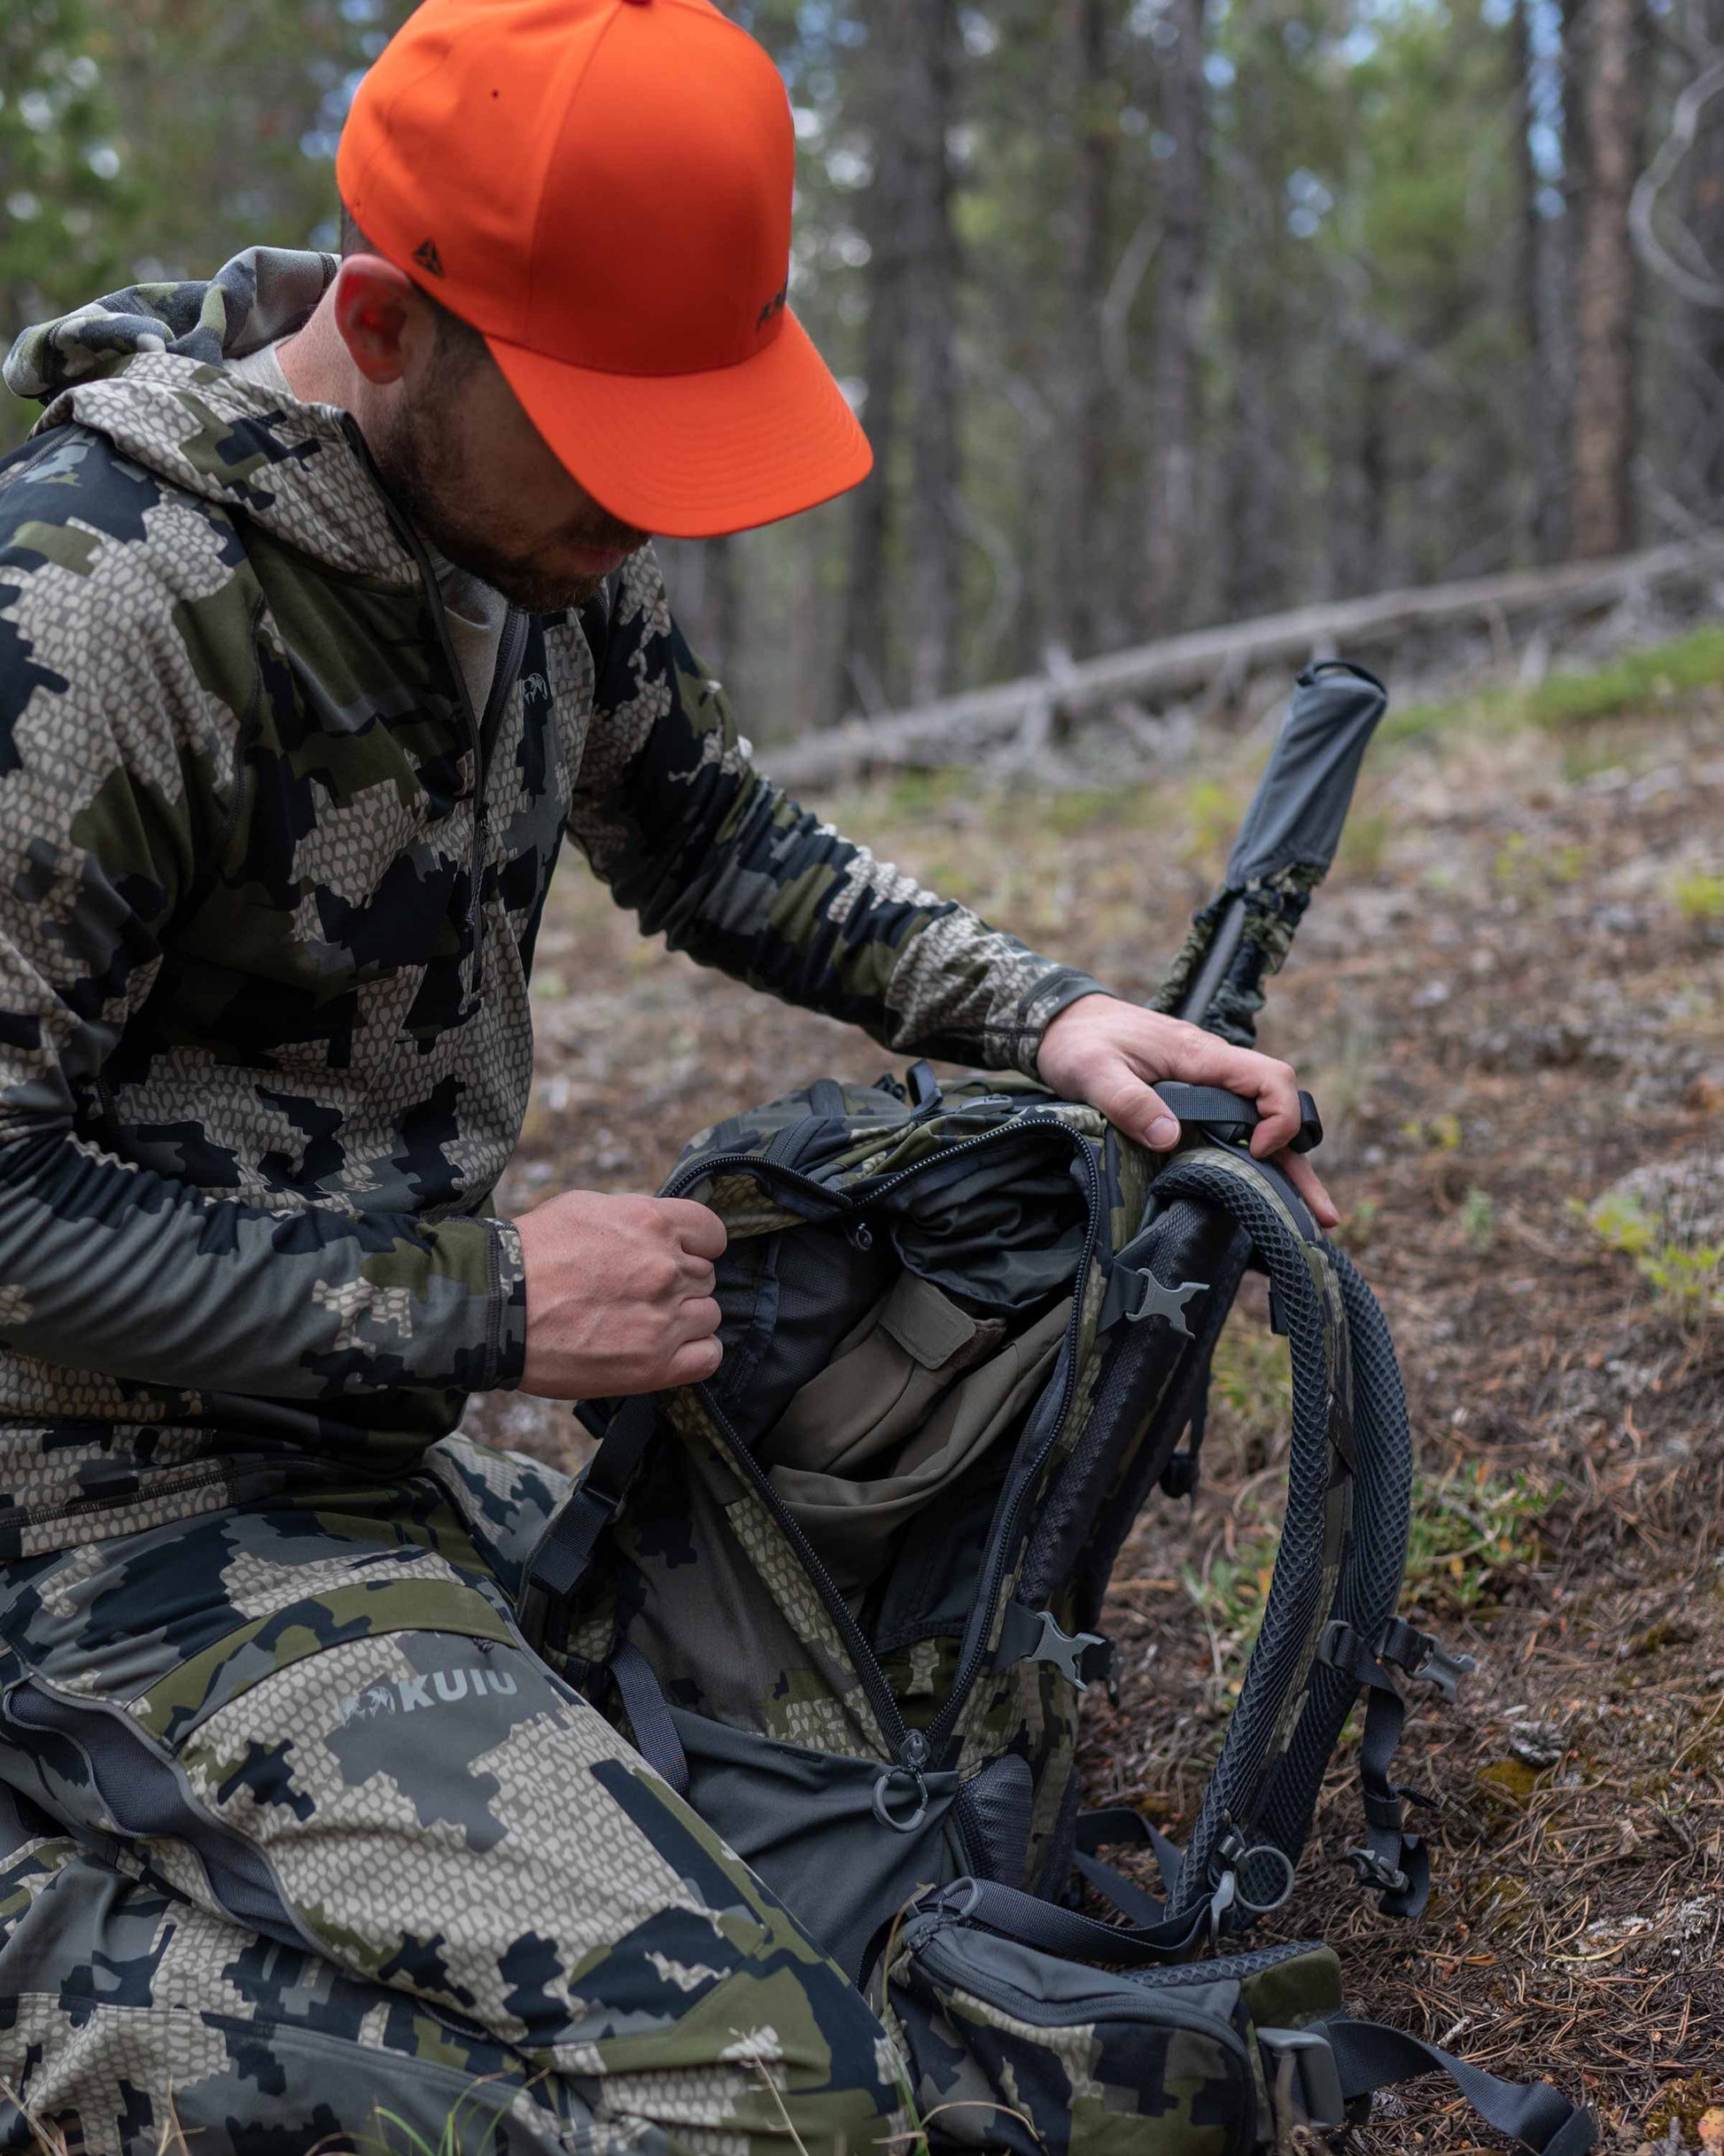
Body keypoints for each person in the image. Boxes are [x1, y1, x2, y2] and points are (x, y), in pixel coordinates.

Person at [0, 0, 1335, 2147]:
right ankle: (53, 1964)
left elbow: (710, 834)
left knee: (880, 1864)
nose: (636, 519)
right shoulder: (97, 618)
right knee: (778, 2096)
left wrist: (1045, 1015)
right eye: (600, 445)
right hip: (97, 1514)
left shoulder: (521, 542)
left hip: (371, 1452)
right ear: (387, 322)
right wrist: (492, 1302)